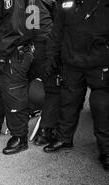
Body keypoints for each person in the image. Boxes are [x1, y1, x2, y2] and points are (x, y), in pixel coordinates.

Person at [0, 0, 50, 155]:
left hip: (10, 54)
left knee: (14, 95)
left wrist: (2, 55)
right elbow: (30, 22)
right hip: (5, 53)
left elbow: (15, 26)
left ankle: (20, 137)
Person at [43, 0, 109, 172]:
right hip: (72, 62)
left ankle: (106, 150)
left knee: (101, 107)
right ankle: (64, 138)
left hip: (100, 63)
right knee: (68, 101)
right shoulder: (67, 3)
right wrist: (51, 57)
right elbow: (56, 32)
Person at [32, 0, 62, 146]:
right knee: (54, 90)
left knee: (49, 86)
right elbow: (60, 22)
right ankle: (45, 131)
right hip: (48, 45)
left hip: (37, 46)